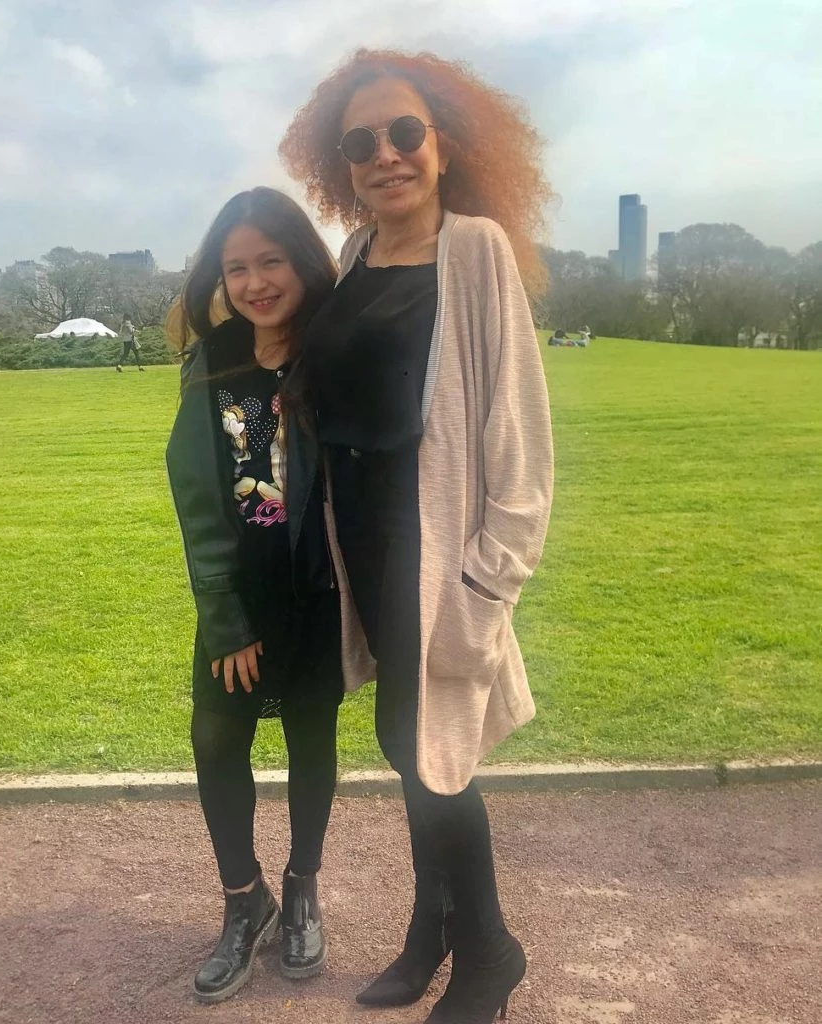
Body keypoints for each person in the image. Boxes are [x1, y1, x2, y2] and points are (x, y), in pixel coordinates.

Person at [281, 50, 554, 1023]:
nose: (384, 155)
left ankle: (489, 953)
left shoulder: (474, 251)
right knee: (408, 747)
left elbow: (520, 444)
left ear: (445, 145)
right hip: (365, 545)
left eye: (405, 133)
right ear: (340, 164)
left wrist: (489, 586)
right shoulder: (356, 254)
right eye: (360, 143)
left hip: (434, 551)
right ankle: (428, 931)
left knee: (432, 753)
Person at [165, 187, 342, 1004]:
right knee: (214, 738)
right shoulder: (214, 361)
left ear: (302, 261)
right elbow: (199, 498)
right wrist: (225, 619)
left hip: (316, 588)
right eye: (236, 268)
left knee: (311, 738)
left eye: (270, 261)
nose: (255, 282)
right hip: (237, 588)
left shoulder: (334, 351)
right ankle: (246, 901)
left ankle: (301, 886)